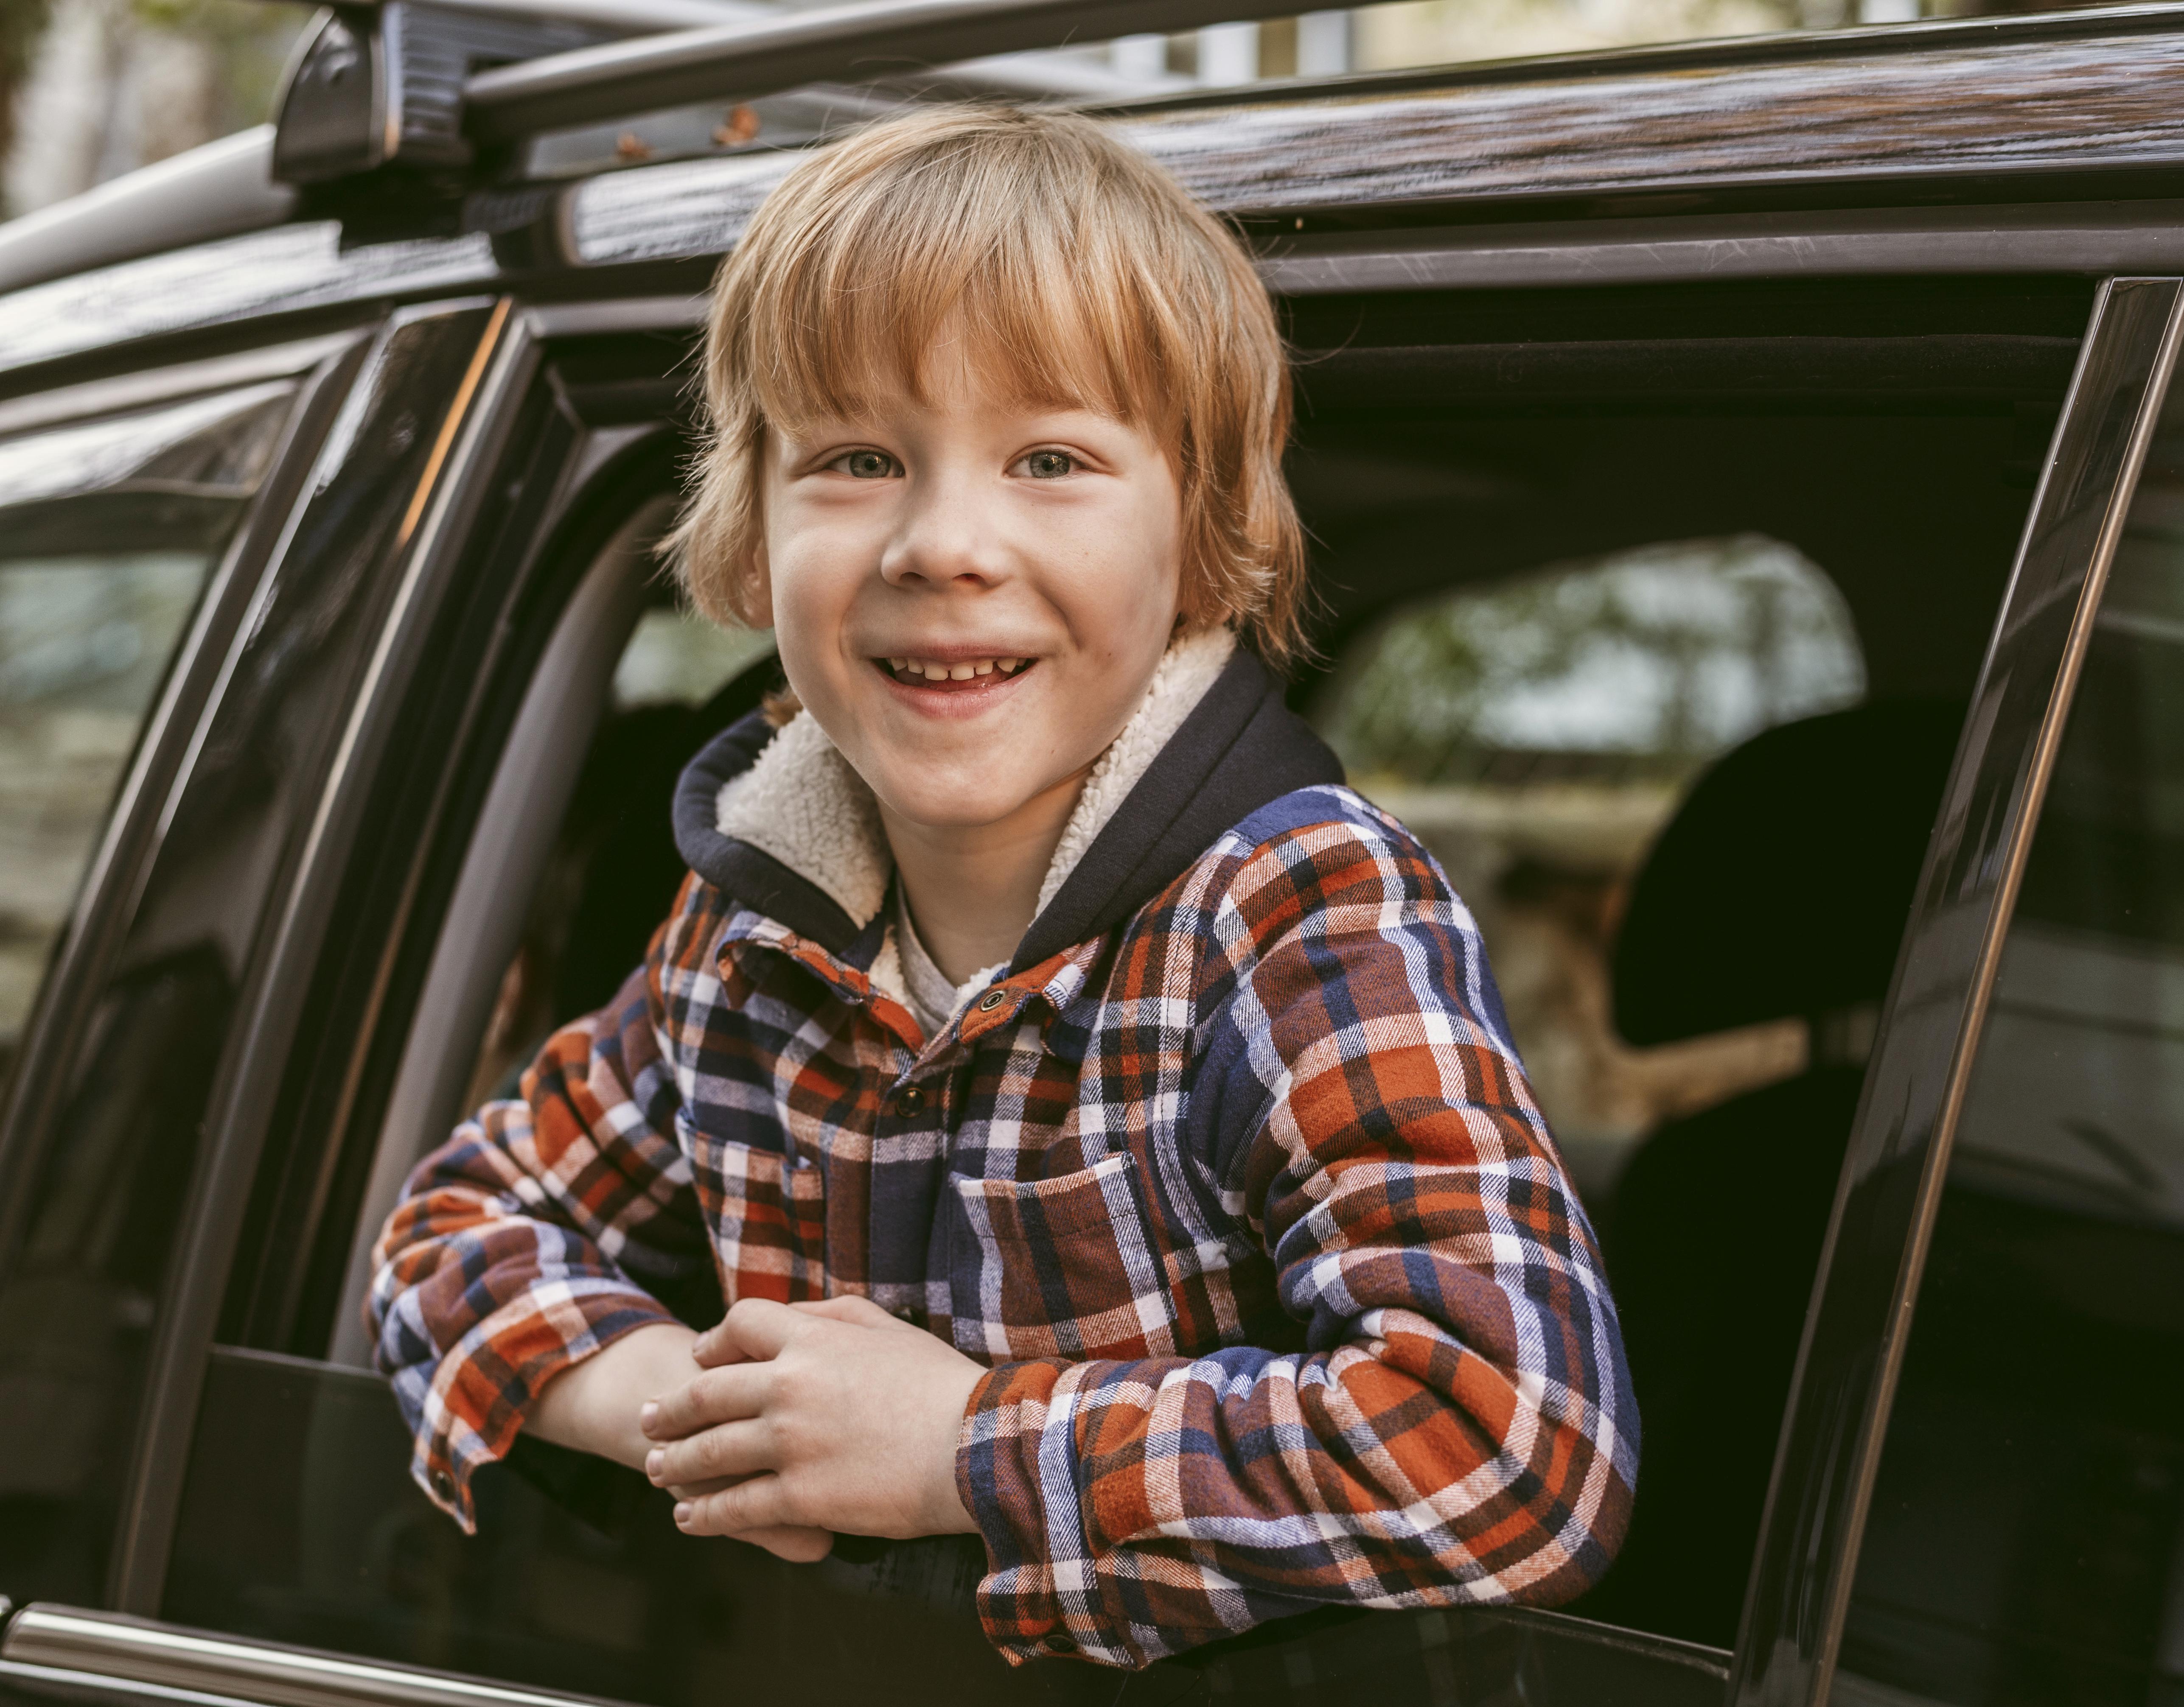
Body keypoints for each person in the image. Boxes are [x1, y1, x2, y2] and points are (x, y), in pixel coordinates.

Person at [368, 104, 1636, 1670]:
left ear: (1208, 534)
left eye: (1051, 459)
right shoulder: (755, 918)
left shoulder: (1299, 914)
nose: (944, 541)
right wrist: (703, 1416)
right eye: (854, 458)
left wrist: (963, 1448)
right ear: (751, 537)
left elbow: (1513, 1449)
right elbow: (450, 1233)